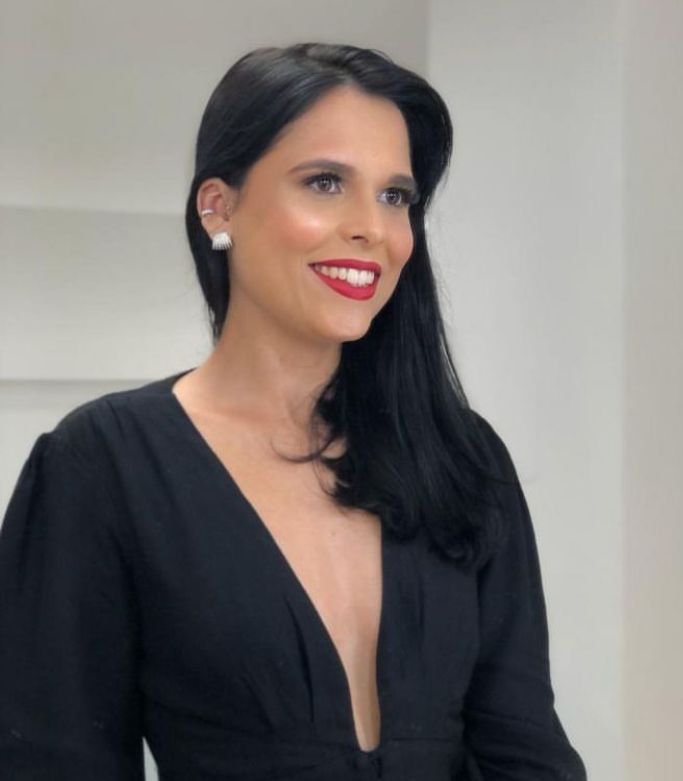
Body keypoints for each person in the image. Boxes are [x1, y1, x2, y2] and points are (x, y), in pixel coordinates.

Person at [0, 43, 587, 780]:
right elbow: (51, 760)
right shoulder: (101, 464)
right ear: (218, 206)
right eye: (324, 183)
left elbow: (526, 754)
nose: (371, 227)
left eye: (395, 196)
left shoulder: (458, 454)